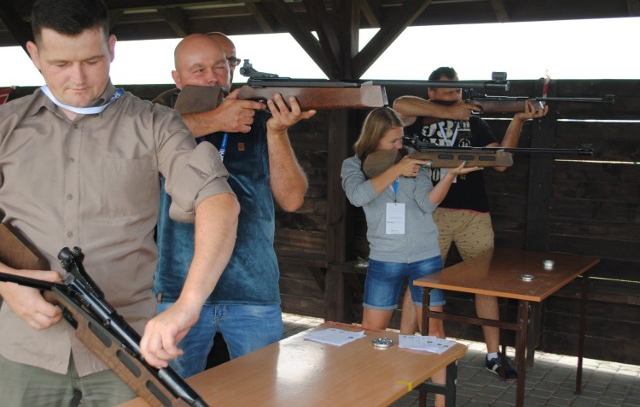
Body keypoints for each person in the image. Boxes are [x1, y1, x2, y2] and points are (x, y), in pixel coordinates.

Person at [0, 0, 239, 406]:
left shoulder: (156, 124)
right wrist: (6, 284)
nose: (78, 78)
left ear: (111, 48)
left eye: (92, 60)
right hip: (24, 350)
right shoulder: (6, 126)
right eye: (60, 63)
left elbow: (218, 201)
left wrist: (189, 304)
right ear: (34, 55)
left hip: (125, 346)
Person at [153, 33, 315, 377]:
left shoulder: (257, 117)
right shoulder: (161, 119)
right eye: (198, 70)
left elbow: (292, 198)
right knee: (174, 395)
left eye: (220, 66)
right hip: (177, 290)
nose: (212, 77)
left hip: (252, 290)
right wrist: (215, 121)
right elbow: (137, 146)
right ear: (177, 79)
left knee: (258, 395)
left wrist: (277, 133)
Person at [393, 66, 548, 382]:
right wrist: (447, 110)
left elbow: (501, 161)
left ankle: (493, 356)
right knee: (418, 284)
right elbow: (399, 105)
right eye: (450, 90)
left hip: (473, 214)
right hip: (429, 213)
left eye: (459, 91)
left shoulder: (474, 123)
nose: (456, 95)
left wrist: (517, 119)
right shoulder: (417, 118)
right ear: (432, 93)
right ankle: (405, 350)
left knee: (484, 283)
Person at [341, 106, 480, 407]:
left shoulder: (412, 162)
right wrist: (397, 169)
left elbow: (427, 204)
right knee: (370, 333)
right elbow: (357, 196)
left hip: (425, 256)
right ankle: (367, 398)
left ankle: (442, 404)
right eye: (393, 141)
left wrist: (450, 176)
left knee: (435, 331)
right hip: (384, 258)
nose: (399, 146)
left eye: (401, 139)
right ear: (375, 138)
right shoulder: (353, 165)